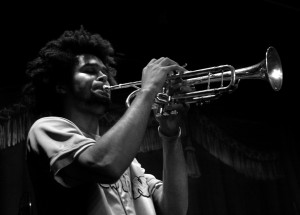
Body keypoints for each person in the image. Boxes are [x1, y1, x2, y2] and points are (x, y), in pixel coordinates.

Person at [24, 26, 189, 215]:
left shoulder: (129, 162)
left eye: (104, 71)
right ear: (61, 86)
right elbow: (105, 165)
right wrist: (148, 90)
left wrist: (170, 135)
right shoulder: (46, 128)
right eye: (90, 70)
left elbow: (175, 209)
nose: (104, 77)